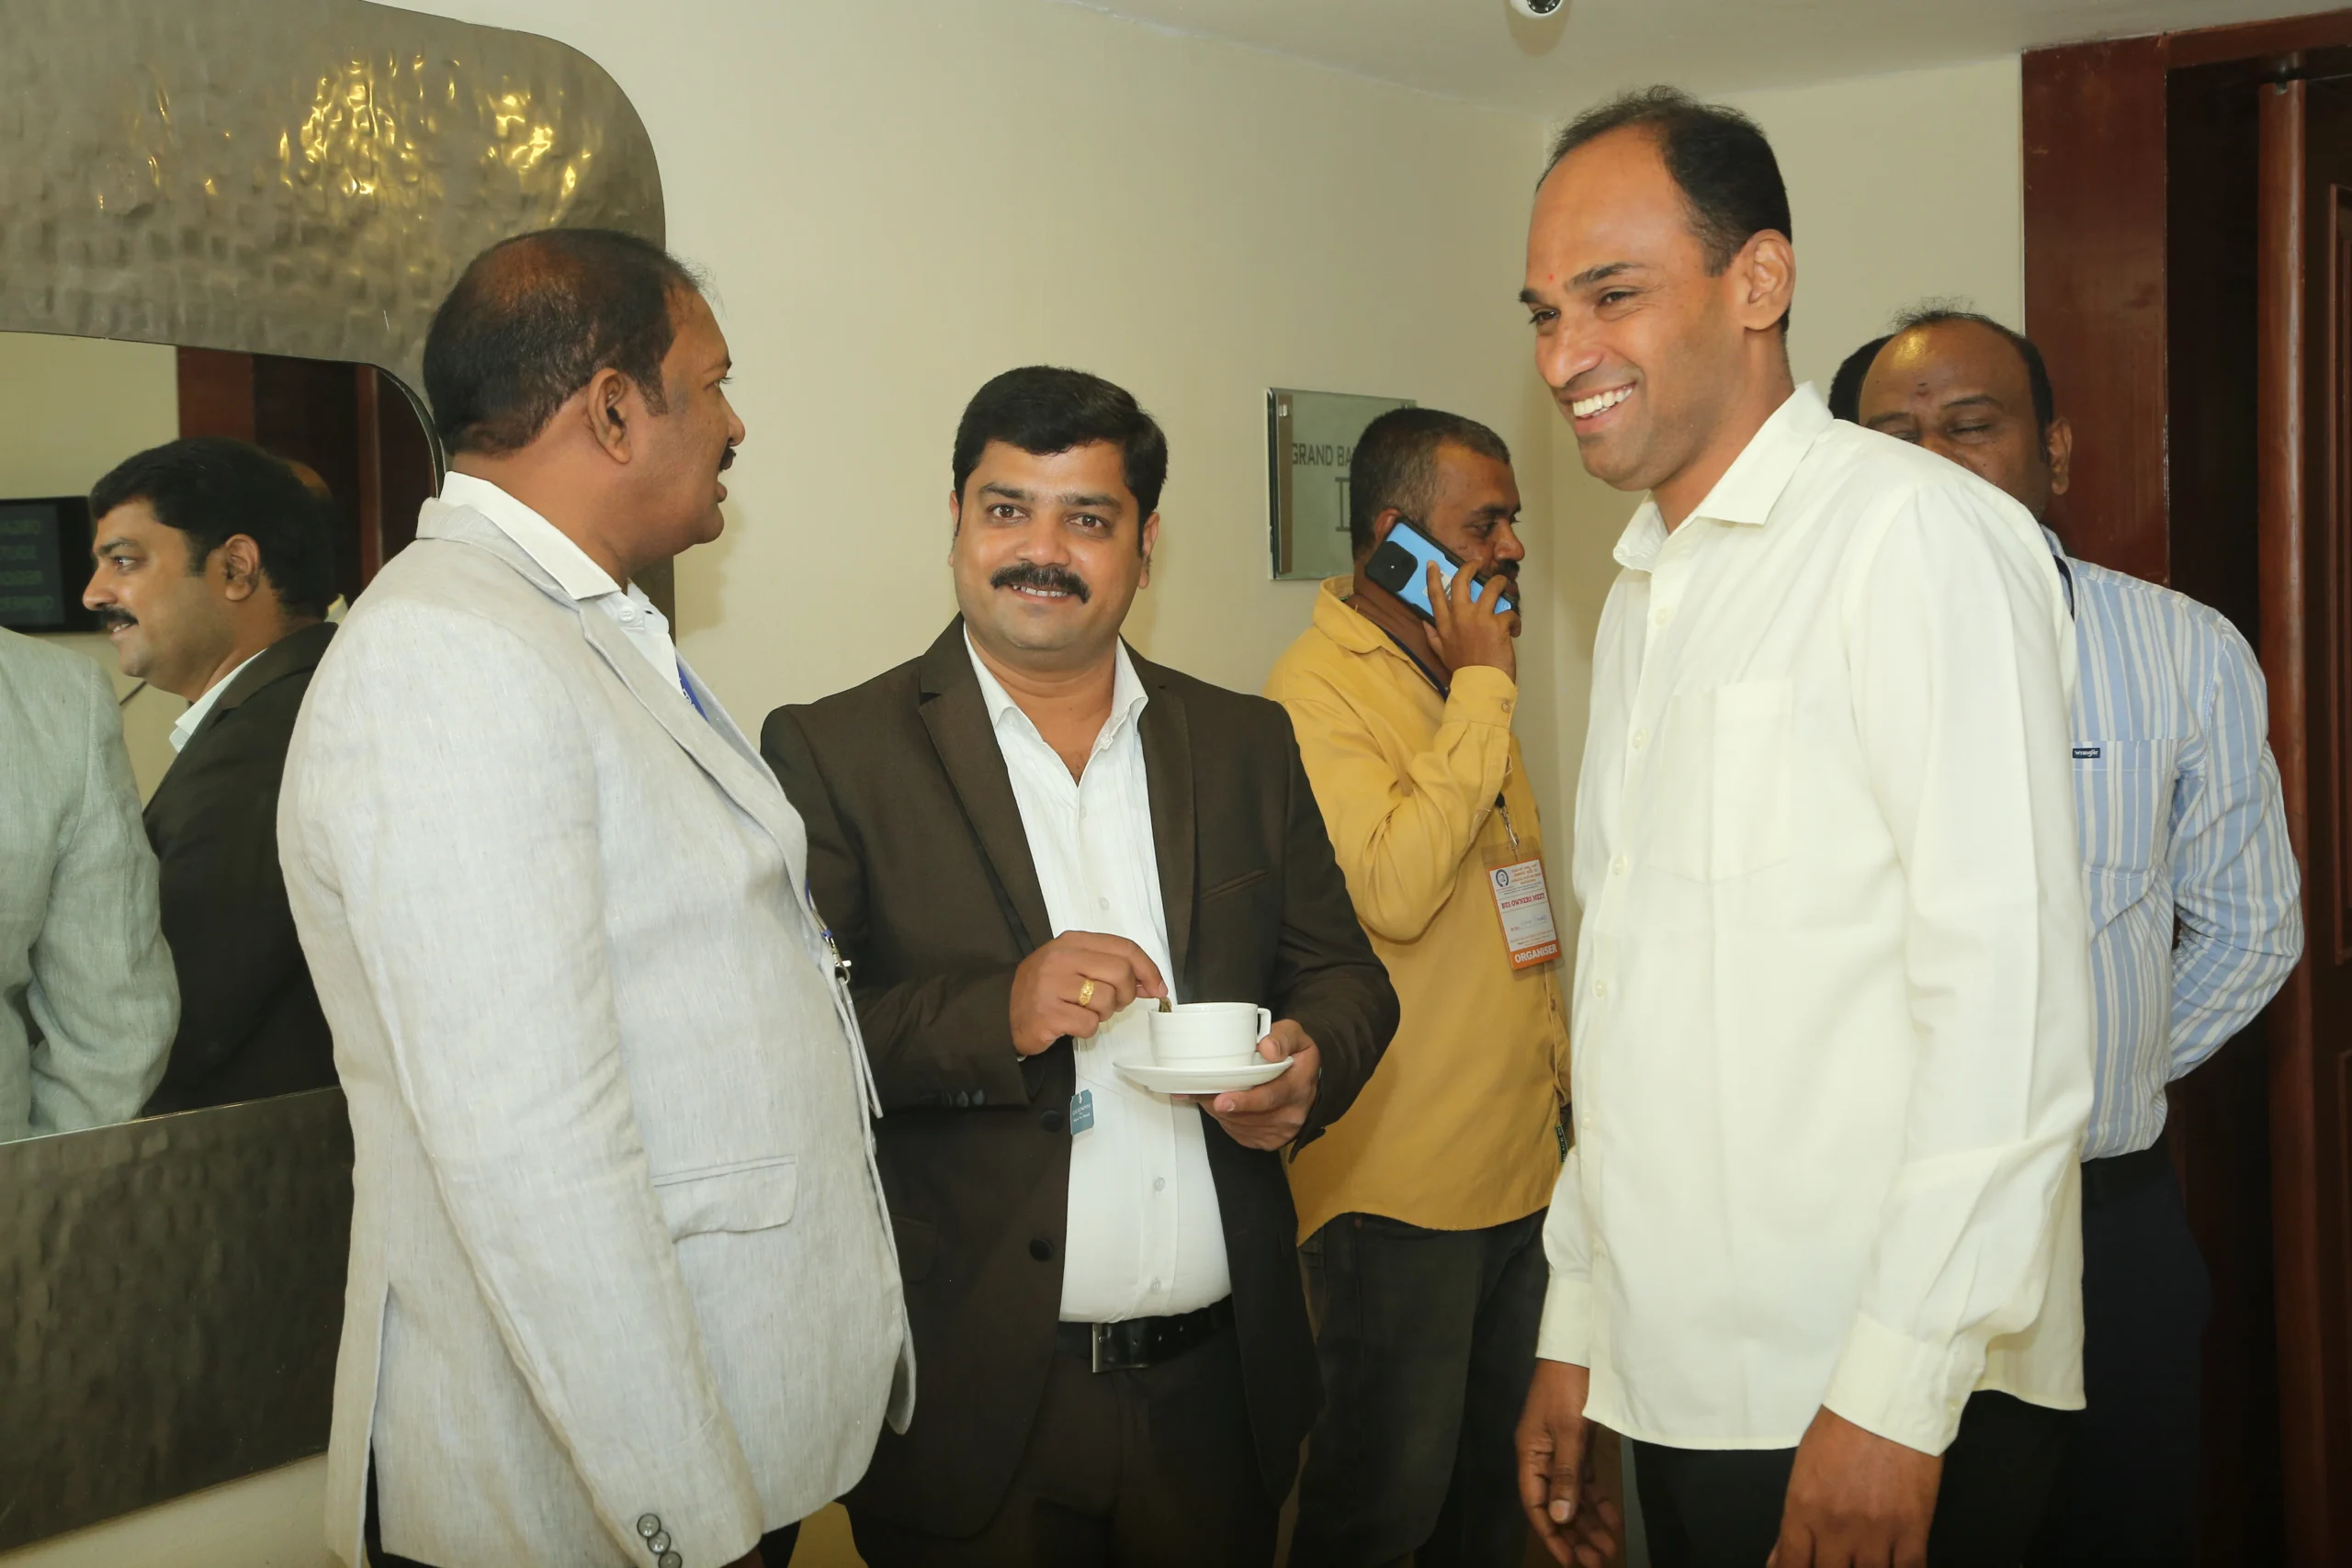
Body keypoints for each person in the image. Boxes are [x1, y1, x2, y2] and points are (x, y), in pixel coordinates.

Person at [1512, 87, 2094, 1568]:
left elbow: (2011, 1007)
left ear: (1758, 279)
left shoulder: (1916, 538)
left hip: (1883, 1387)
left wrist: (1894, 1391)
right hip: (1687, 1377)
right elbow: (1630, 1008)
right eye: (1545, 314)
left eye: (1612, 295)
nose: (1566, 355)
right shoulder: (1644, 591)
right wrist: (1582, 1324)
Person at [278, 229, 910, 1568]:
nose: (736, 424)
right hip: (593, 1497)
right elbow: (534, 1149)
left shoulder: (569, 622)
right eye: (715, 383)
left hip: (716, 1423)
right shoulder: (450, 652)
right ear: (615, 410)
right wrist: (685, 1517)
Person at [761, 365, 1397, 1568]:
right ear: (956, 519)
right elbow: (788, 1044)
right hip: (977, 1408)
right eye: (1007, 509)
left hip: (1218, 1399)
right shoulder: (834, 751)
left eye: (1086, 519)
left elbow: (1348, 977)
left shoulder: (1243, 742)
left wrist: (1313, 1062)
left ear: (1146, 546)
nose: (1041, 551)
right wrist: (995, 1011)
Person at [1847, 307, 2303, 1568]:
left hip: (2103, 1223)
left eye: (1970, 426)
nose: (1931, 462)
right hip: (1869, 1229)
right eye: (1891, 438)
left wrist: (2084, 1074)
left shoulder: (2180, 649)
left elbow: (2252, 928)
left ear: (2053, 449)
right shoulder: (1811, 660)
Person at [1265, 406, 1571, 1568]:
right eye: (1483, 525)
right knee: (1377, 1516)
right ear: (1395, 540)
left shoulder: (1454, 671)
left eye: (1512, 522)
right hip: (1400, 1193)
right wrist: (1485, 690)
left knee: (1496, 1512)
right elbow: (1392, 889)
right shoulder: (1313, 692)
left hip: (1523, 1167)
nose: (1511, 548)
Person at [81, 436, 339, 1115]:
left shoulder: (271, 736)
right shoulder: (288, 704)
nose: (94, 593)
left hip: (256, 1161)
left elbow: (171, 1021)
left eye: (125, 561)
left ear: (235, 568)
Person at [0, 627, 176, 1143]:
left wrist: (37, 1172)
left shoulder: (59, 695)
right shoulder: (54, 692)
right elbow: (118, 1030)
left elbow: (117, 1028)